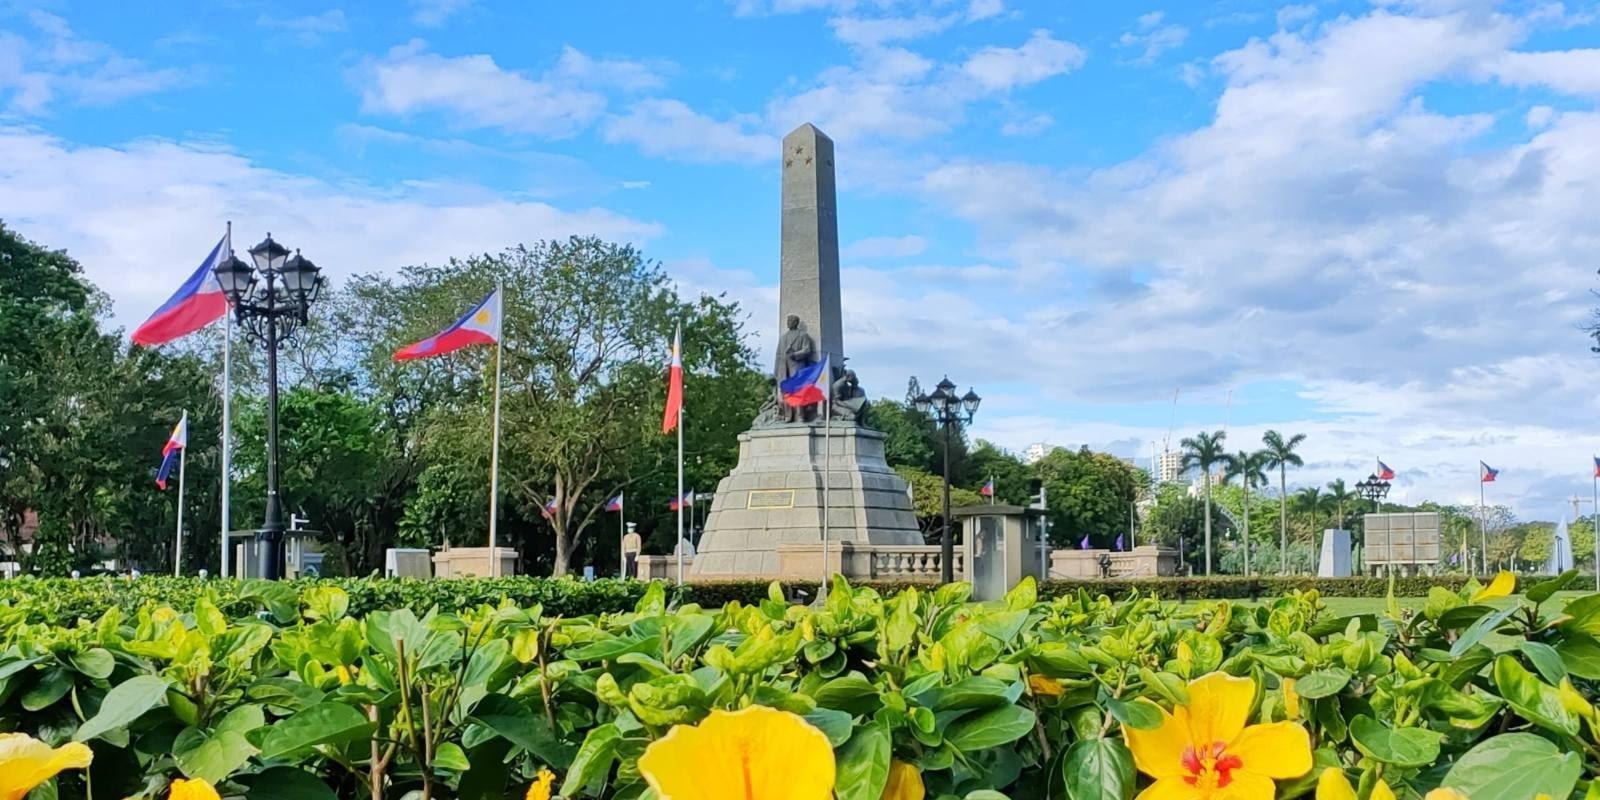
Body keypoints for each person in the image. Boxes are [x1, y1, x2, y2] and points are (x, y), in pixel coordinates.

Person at [774, 314, 815, 423]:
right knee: (786, 393)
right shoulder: (783, 338)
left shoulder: (803, 335)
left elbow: (807, 350)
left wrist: (795, 354)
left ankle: (800, 416)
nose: (788, 323)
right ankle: (788, 416)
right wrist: (776, 370)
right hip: (784, 369)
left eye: (791, 321)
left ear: (796, 322)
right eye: (788, 321)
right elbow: (778, 355)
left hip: (797, 367)